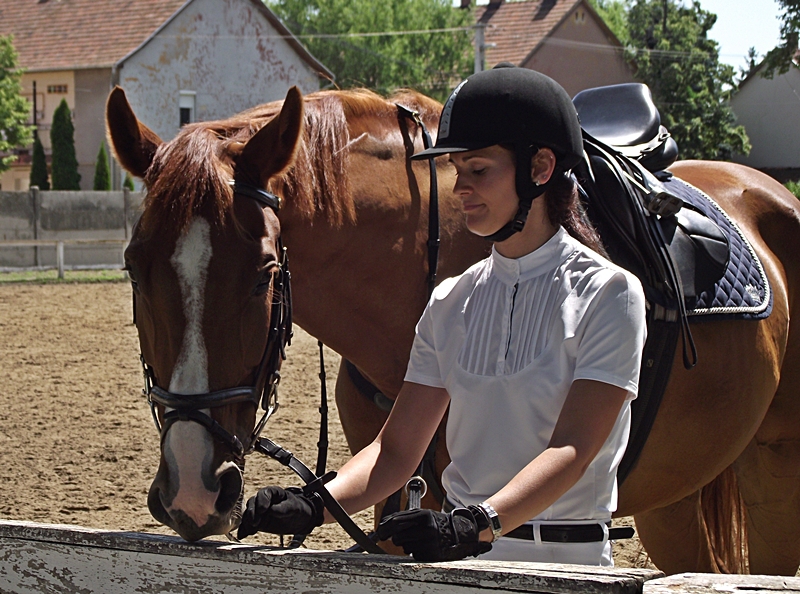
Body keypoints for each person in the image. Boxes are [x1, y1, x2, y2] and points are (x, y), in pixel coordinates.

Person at [237, 65, 647, 566]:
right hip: (464, 566)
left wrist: (476, 523)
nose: (460, 190)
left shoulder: (611, 293)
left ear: (540, 168)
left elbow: (572, 449)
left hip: (568, 569)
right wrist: (314, 504)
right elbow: (395, 449)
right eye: (456, 170)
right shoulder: (451, 301)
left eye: (479, 171)